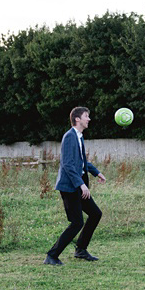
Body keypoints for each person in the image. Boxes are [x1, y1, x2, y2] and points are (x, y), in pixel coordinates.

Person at [44, 106, 107, 265]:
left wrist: (96, 172)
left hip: (78, 186)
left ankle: (81, 250)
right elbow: (67, 164)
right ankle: (52, 255)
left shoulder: (79, 136)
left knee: (95, 214)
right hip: (70, 187)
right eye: (87, 116)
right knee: (77, 222)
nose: (89, 119)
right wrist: (81, 185)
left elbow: (82, 161)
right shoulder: (69, 137)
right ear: (78, 119)